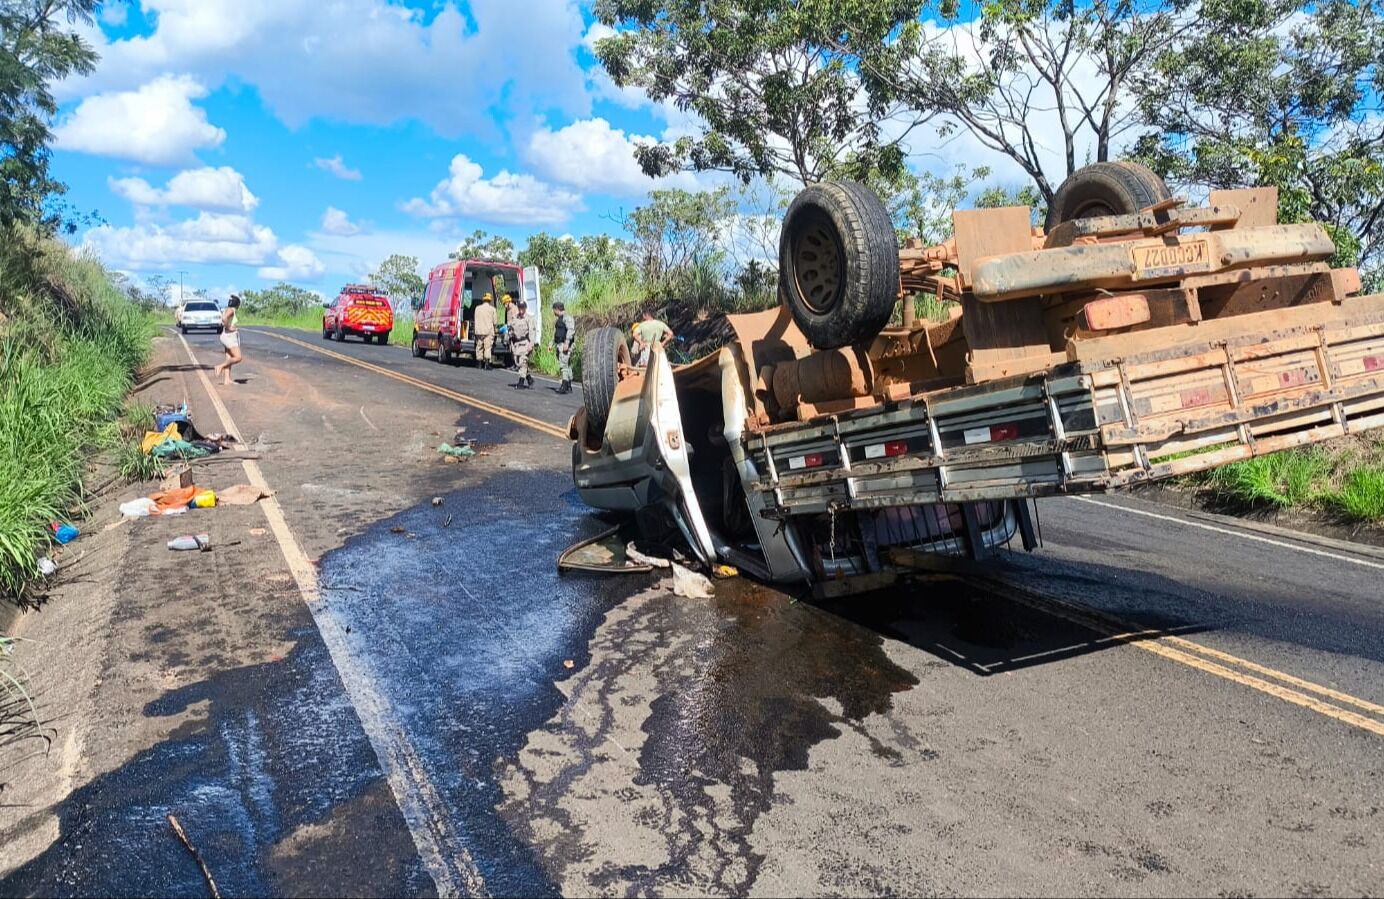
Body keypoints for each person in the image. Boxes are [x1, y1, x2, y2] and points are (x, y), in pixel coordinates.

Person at [213, 295, 243, 386]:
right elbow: (224, 318)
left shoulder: (227, 309)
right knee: (238, 357)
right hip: (230, 336)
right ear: (237, 304)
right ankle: (220, 366)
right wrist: (229, 327)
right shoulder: (231, 310)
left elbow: (224, 318)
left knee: (229, 357)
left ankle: (227, 379)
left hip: (225, 335)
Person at [508, 299, 534, 389]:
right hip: (516, 344)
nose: (521, 309)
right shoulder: (515, 318)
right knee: (518, 363)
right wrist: (509, 335)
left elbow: (532, 332)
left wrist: (531, 344)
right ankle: (529, 378)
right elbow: (511, 329)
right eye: (519, 307)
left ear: (525, 308)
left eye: (522, 307)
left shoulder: (529, 319)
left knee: (523, 362)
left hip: (525, 343)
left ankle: (521, 382)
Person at [552, 301, 576, 394]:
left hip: (565, 345)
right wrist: (552, 343)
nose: (553, 312)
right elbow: (557, 333)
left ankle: (564, 385)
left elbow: (571, 330)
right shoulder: (560, 319)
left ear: (557, 309)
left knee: (563, 365)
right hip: (560, 344)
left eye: (554, 310)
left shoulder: (567, 318)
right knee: (567, 365)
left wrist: (567, 343)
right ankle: (568, 385)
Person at [473, 292, 497, 369]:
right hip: (488, 331)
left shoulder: (477, 308)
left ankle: (479, 364)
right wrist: (495, 330)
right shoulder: (492, 309)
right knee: (487, 347)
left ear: (483, 300)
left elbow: (475, 319)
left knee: (479, 347)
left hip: (479, 331)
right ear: (490, 300)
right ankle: (487, 364)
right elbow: (495, 322)